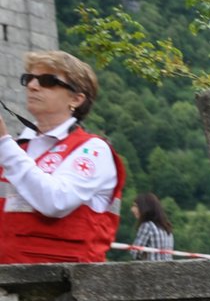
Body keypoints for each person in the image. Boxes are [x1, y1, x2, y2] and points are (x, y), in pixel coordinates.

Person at [0, 51, 126, 264]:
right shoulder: (18, 148)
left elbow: (55, 202)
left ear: (76, 99)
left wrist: (4, 142)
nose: (32, 86)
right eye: (28, 78)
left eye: (47, 81)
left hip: (63, 286)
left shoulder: (93, 150)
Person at [131, 192, 174, 261]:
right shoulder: (167, 228)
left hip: (151, 270)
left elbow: (135, 252)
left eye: (136, 206)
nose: (132, 209)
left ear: (145, 207)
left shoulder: (147, 226)